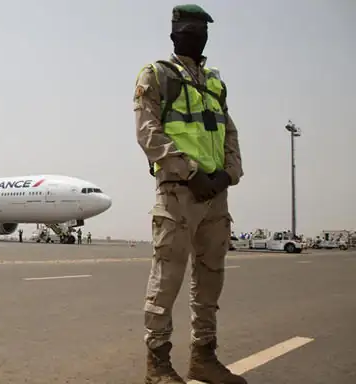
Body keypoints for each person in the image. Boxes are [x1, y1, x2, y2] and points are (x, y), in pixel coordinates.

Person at [133, 4, 245, 384]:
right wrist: (191, 172)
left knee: (210, 280)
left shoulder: (215, 83)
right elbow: (148, 133)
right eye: (188, 31)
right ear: (173, 35)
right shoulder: (156, 75)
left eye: (201, 31)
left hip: (215, 194)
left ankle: (204, 357)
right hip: (179, 192)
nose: (196, 37)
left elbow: (229, 133)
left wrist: (228, 174)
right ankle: (158, 365)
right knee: (167, 278)